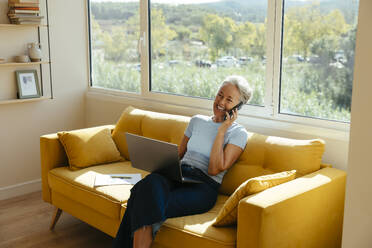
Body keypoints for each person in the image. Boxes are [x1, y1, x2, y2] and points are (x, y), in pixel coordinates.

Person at [112, 75, 252, 248]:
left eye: (229, 100)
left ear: (238, 107)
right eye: (220, 95)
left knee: (141, 196)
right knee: (149, 183)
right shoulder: (197, 121)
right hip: (177, 175)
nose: (221, 101)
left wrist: (222, 130)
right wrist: (157, 160)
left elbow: (215, 169)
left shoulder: (238, 133)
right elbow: (178, 154)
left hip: (203, 187)